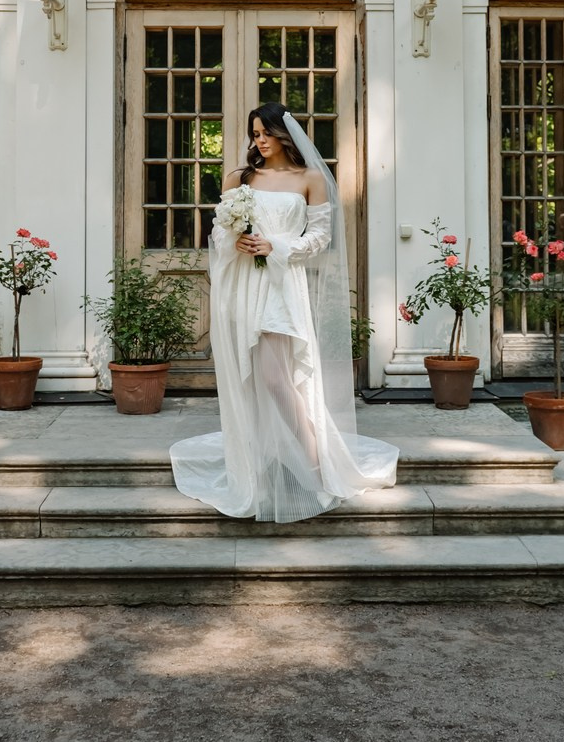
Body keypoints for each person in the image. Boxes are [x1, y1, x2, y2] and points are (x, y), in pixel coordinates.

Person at [170, 102, 399, 523]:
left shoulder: (310, 179)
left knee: (277, 376)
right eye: (254, 132)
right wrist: (233, 241)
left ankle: (313, 458)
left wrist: (277, 247)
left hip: (281, 285)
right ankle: (258, 457)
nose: (259, 140)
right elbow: (219, 232)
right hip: (243, 285)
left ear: (285, 135)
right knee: (251, 372)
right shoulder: (240, 178)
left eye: (266, 132)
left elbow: (319, 238)